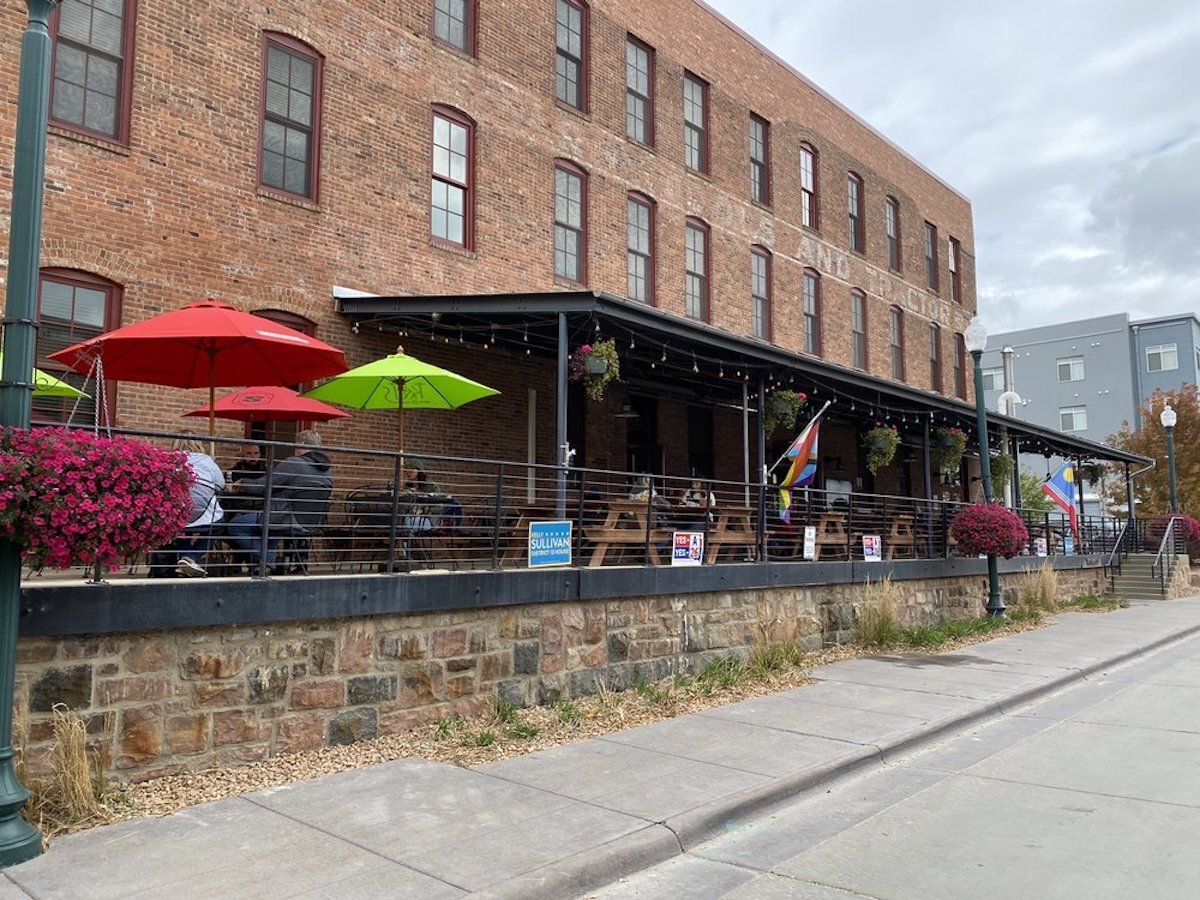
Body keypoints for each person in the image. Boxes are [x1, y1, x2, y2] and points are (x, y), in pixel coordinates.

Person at [225, 429, 332, 572]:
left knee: (235, 526)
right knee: (270, 527)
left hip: (284, 518)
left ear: (300, 444)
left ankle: (269, 560)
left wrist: (243, 483)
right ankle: (265, 566)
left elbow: (264, 485)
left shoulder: (293, 464)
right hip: (310, 523)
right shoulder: (326, 471)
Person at [150, 435, 225, 577]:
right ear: (198, 444)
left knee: (182, 526)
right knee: (218, 524)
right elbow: (220, 485)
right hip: (202, 511)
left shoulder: (169, 459)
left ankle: (187, 557)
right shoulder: (207, 460)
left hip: (176, 510)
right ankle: (192, 557)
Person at [223, 443, 266, 514]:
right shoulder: (233, 472)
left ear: (259, 455)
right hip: (239, 508)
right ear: (243, 455)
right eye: (249, 453)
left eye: (256, 453)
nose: (253, 456)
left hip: (261, 508)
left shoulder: (266, 471)